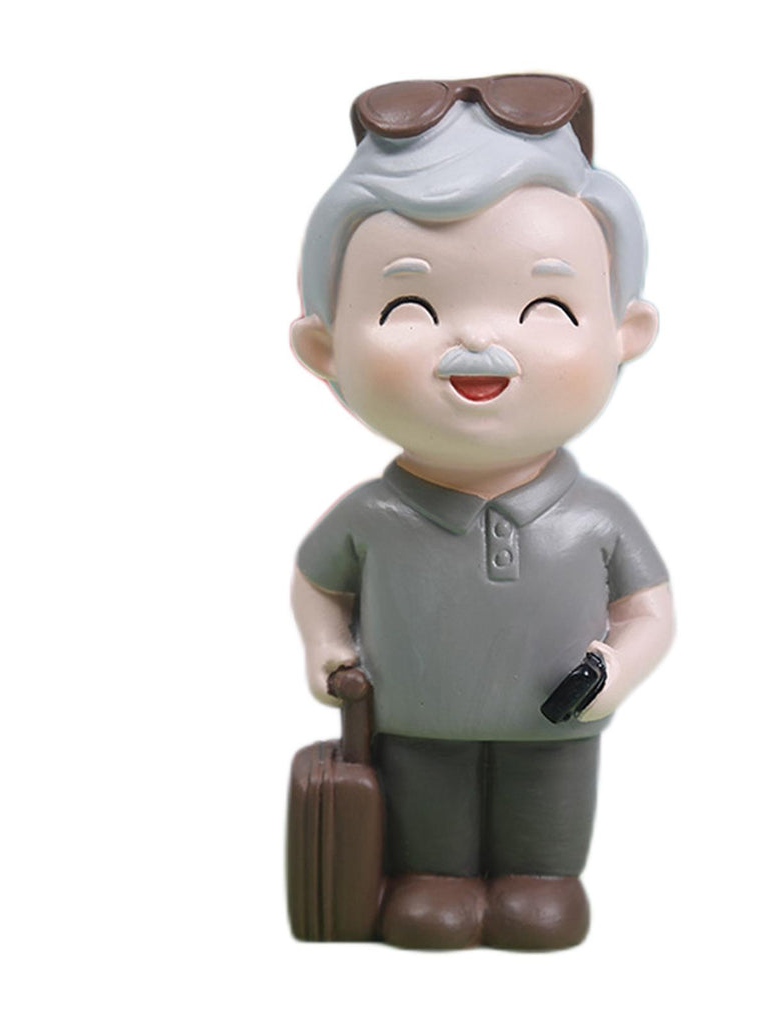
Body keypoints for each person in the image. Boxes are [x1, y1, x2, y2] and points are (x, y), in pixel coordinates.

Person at [290, 76, 675, 950]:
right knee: (430, 829)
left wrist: (615, 668)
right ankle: (434, 879)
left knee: (546, 829)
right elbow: (318, 587)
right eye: (410, 307)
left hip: (556, 727)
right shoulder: (374, 516)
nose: (478, 342)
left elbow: (648, 610)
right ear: (325, 347)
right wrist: (326, 647)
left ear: (626, 332)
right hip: (416, 724)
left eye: (546, 307)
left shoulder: (595, 519)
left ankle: (541, 879)